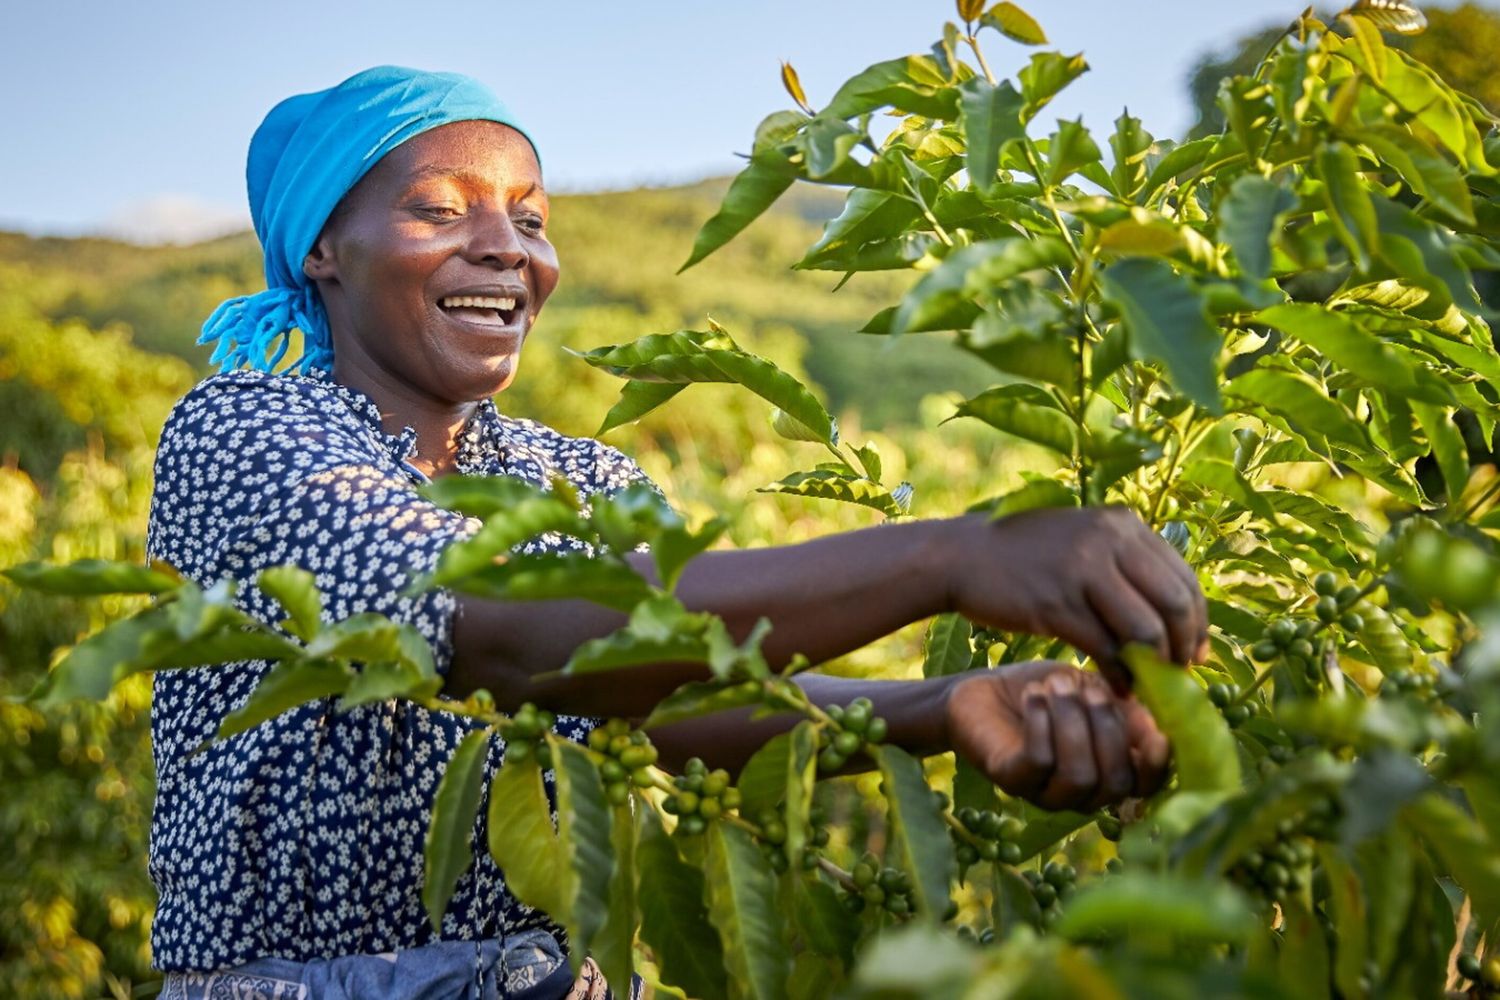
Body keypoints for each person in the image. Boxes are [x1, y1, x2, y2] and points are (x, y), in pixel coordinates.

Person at [146, 66, 1207, 999]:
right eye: (439, 209)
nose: (505, 248)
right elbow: (514, 634)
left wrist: (937, 706)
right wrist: (951, 555)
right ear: (326, 245)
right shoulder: (251, 428)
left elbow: (650, 698)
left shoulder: (571, 473)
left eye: (531, 217)